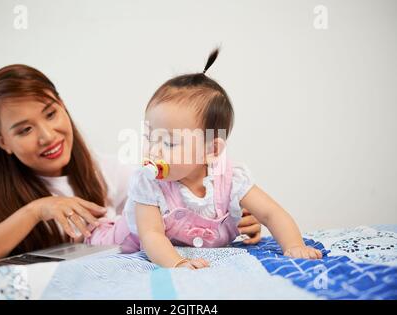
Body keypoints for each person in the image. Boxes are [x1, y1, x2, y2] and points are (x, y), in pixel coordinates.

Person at [0, 64, 262, 265]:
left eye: (51, 113)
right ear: (1, 141)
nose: (47, 135)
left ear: (63, 106)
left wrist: (232, 217)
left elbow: (176, 205)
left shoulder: (107, 169)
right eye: (24, 130)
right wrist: (36, 210)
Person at [86, 49, 322, 269]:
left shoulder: (231, 178)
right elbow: (151, 235)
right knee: (95, 239)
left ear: (211, 150)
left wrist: (294, 245)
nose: (154, 150)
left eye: (169, 143)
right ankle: (87, 227)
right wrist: (176, 264)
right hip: (124, 239)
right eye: (150, 137)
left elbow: (272, 213)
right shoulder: (148, 183)